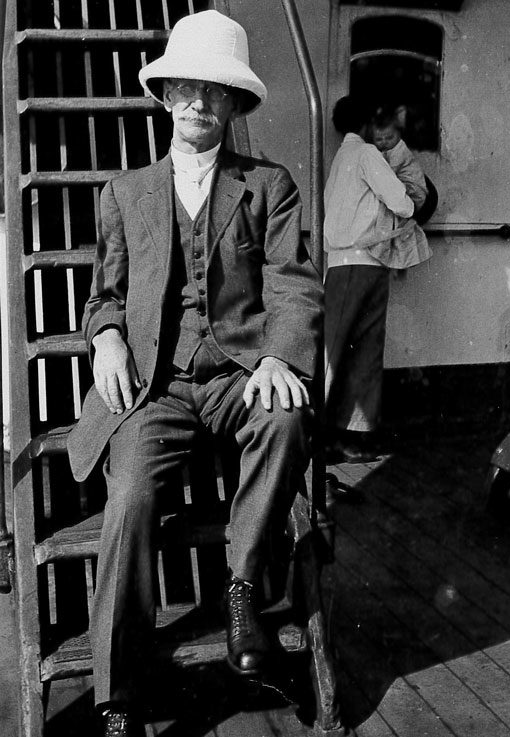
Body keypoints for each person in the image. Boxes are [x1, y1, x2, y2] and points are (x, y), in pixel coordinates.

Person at [67, 10, 322, 736]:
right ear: (166, 92)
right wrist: (107, 337)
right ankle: (117, 696)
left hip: (237, 373)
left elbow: (294, 282)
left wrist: (279, 355)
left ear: (235, 104)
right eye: (187, 87)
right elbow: (104, 294)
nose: (199, 104)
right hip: (157, 386)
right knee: (130, 502)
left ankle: (242, 588)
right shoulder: (123, 194)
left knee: (287, 413)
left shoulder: (268, 187)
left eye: (216, 92)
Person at [324, 96, 431, 463]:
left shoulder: (340, 159)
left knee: (337, 351)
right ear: (368, 123)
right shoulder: (367, 154)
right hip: (364, 265)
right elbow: (402, 202)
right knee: (361, 353)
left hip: (341, 265)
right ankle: (350, 437)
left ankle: (328, 436)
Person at [370, 109, 428, 214]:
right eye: (379, 139)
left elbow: (387, 174)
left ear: (399, 134)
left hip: (415, 194)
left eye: (389, 137)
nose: (384, 142)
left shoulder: (400, 151)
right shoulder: (386, 151)